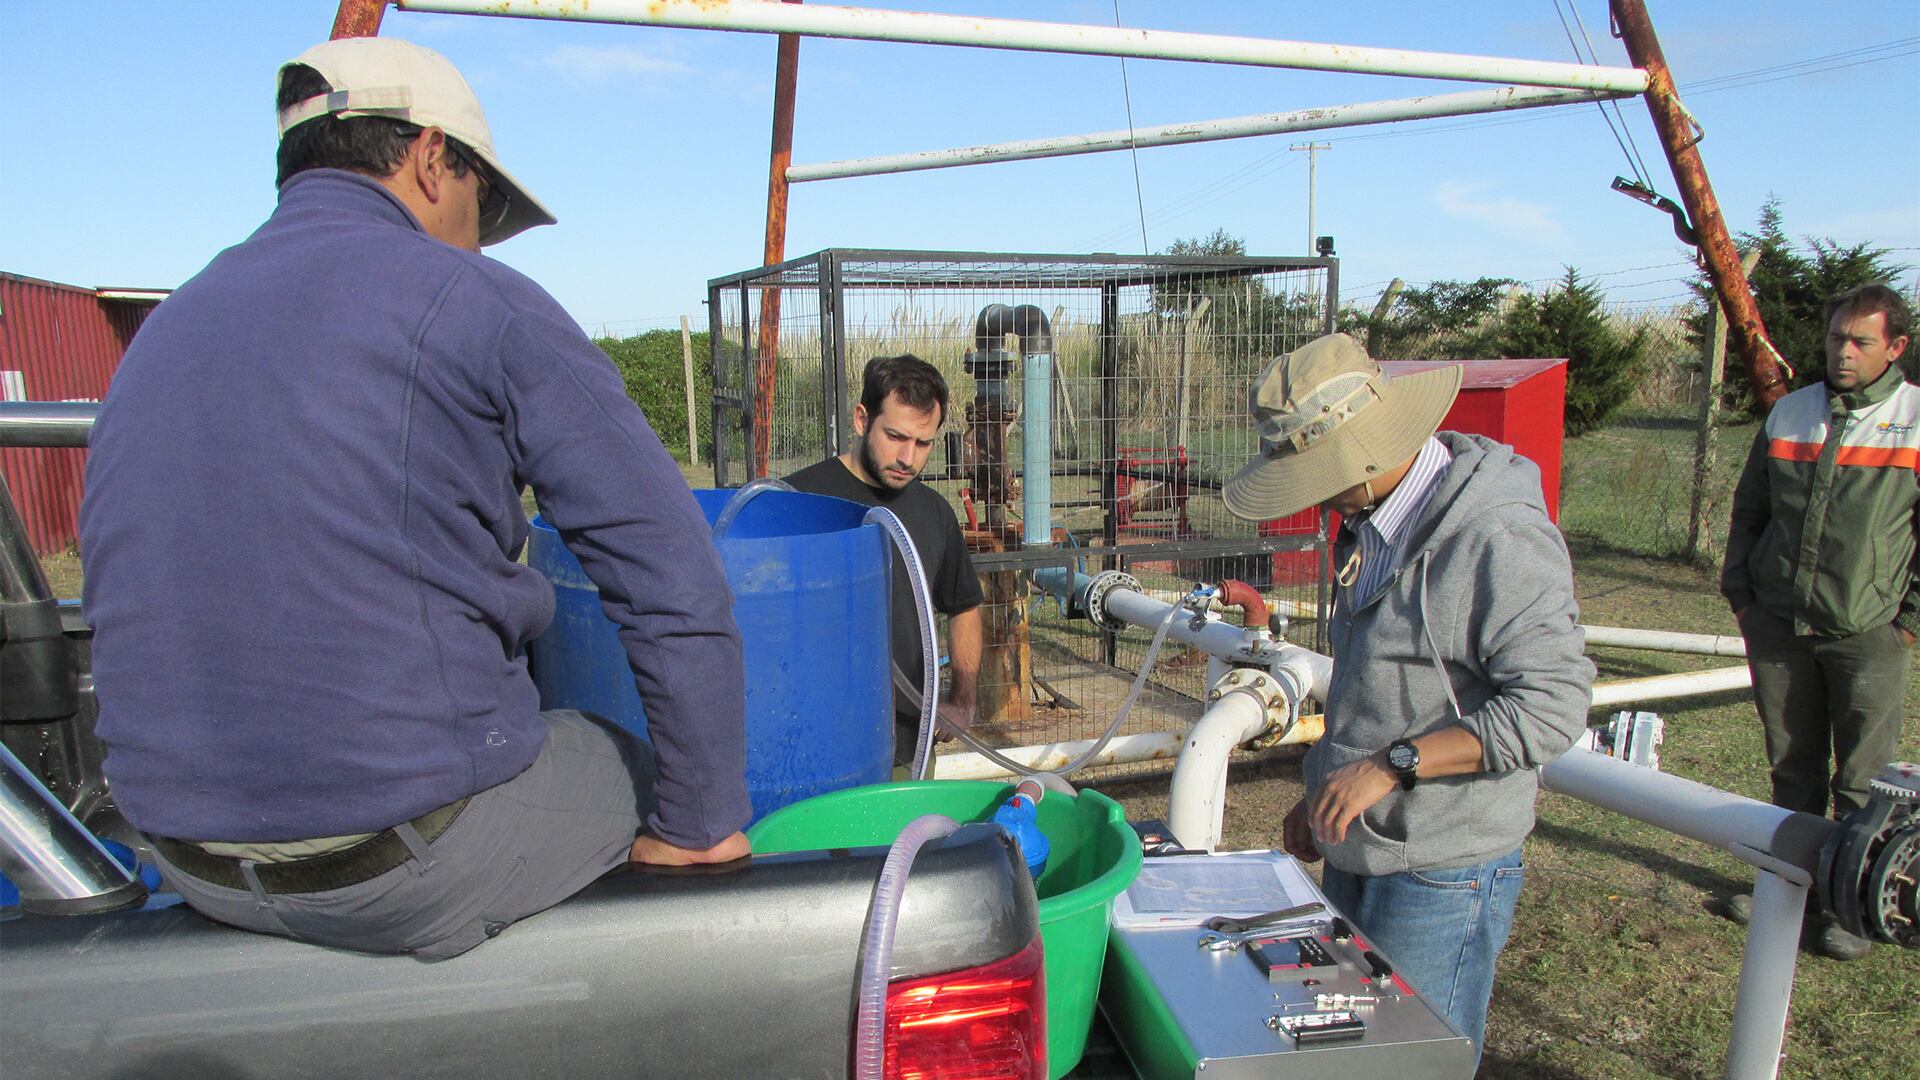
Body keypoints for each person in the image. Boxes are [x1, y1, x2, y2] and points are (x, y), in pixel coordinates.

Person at [78, 38, 750, 961]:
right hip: (398, 865)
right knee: (620, 755)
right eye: (485, 206)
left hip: (184, 855)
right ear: (434, 160)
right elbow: (671, 575)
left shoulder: (166, 326)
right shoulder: (480, 301)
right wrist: (700, 826)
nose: (478, 237)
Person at [1222, 334, 1593, 1068]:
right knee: (1356, 1051)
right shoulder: (1371, 521)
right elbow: (1382, 682)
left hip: (1442, 868)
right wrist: (1328, 785)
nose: (1310, 498)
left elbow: (1552, 705)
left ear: (1359, 460)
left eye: (1313, 477)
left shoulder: (1494, 534)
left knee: (1413, 1061)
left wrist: (1389, 766)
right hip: (1366, 841)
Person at [1720, 283, 1915, 960]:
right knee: (1791, 767)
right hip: (1779, 623)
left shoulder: (1914, 420)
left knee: (1862, 777)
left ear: (1895, 347)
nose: (1844, 352)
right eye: (1836, 338)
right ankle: (1788, 887)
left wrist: (1906, 621)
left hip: (1868, 631)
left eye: (1861, 341)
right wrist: (1744, 594)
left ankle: (1851, 906)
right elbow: (1750, 509)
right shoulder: (1791, 413)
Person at [785, 355, 985, 767]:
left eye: (923, 443)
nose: (908, 458)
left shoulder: (933, 512)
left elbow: (963, 605)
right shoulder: (798, 502)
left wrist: (963, 700)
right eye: (895, 436)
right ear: (862, 420)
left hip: (906, 751)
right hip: (813, 750)